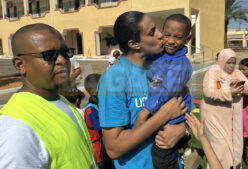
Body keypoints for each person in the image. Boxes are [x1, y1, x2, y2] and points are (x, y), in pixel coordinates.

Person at [97, 11, 187, 169]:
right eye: (152, 32)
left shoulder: (165, 66)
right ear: (134, 44)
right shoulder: (114, 79)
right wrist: (162, 116)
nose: (161, 35)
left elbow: (181, 105)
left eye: (157, 28)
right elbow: (113, 148)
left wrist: (182, 129)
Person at [0, 23, 97, 168]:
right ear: (20, 65)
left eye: (65, 52)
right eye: (49, 55)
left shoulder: (59, 100)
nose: (63, 60)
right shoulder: (18, 129)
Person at [134, 14, 193, 169]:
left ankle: (185, 147)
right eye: (167, 35)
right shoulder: (162, 53)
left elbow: (166, 91)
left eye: (178, 37)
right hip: (163, 110)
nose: (171, 41)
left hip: (173, 114)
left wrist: (145, 111)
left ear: (187, 38)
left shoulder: (181, 64)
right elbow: (145, 59)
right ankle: (186, 146)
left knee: (161, 152)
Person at [200, 48, 248, 169]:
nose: (231, 66)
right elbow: (208, 92)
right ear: (221, 61)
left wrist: (239, 84)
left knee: (236, 146)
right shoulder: (212, 72)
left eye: (233, 63)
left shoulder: (237, 73)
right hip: (213, 116)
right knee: (220, 148)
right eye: (228, 62)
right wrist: (228, 90)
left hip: (232, 118)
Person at [84, 73, 103, 167]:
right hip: (98, 149)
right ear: (93, 92)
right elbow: (98, 127)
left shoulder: (98, 104)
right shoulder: (90, 109)